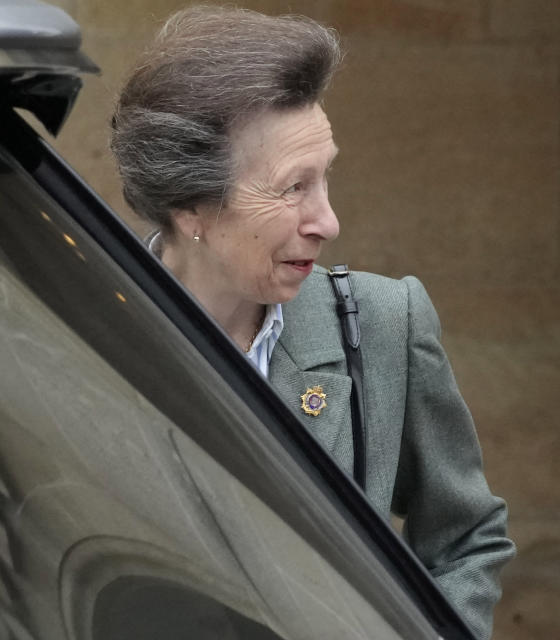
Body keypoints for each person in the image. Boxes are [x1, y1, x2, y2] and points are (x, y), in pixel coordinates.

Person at [109, 6, 515, 639]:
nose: (327, 221)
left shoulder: (384, 322)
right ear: (190, 203)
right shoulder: (82, 325)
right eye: (293, 187)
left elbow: (467, 537)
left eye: (325, 178)